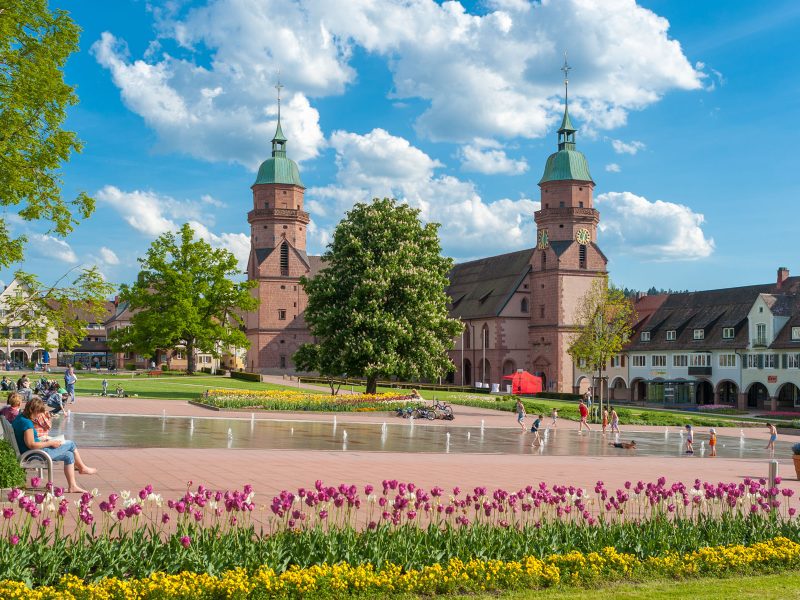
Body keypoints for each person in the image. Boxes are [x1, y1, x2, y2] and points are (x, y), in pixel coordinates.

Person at [11, 397, 97, 493]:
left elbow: (29, 440)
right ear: (33, 410)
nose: (39, 416)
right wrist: (50, 442)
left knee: (69, 455)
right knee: (71, 444)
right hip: (36, 454)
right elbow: (31, 444)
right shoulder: (26, 423)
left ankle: (72, 486)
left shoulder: (20, 418)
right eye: (39, 413)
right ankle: (82, 468)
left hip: (32, 452)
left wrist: (44, 439)